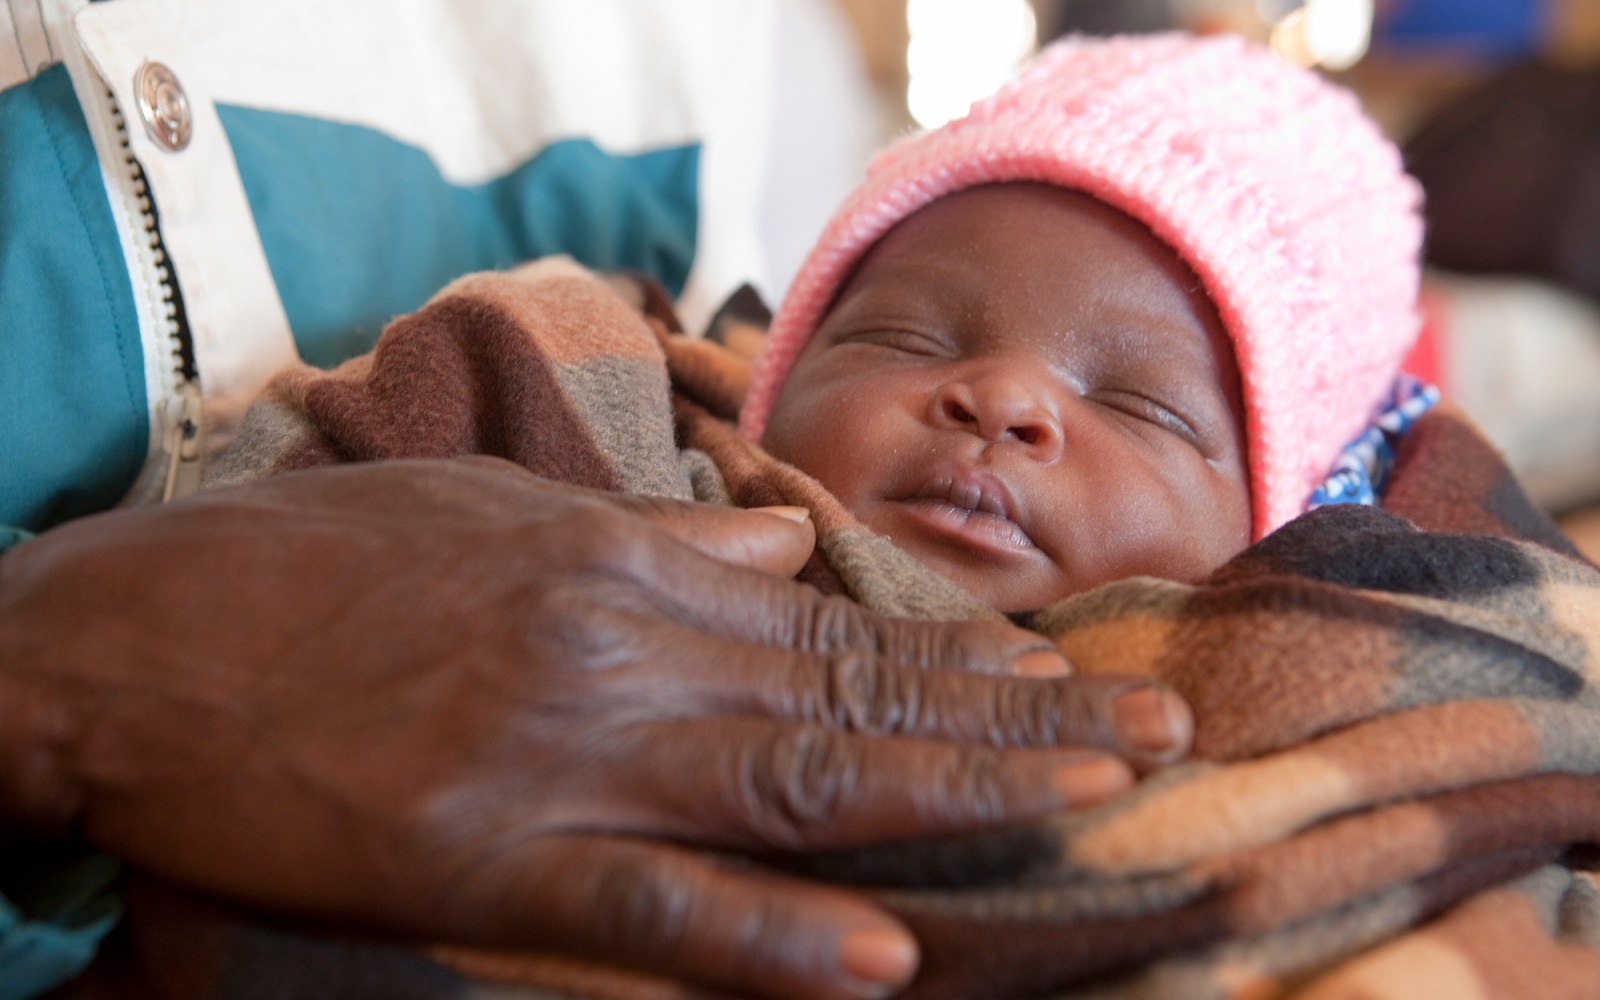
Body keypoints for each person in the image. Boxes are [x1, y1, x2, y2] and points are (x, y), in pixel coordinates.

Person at [0, 3, 1188, 999]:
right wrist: (54, 658)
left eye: (1146, 409)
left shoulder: (719, 39)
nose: (1001, 397)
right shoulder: (565, 379)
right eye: (906, 335)